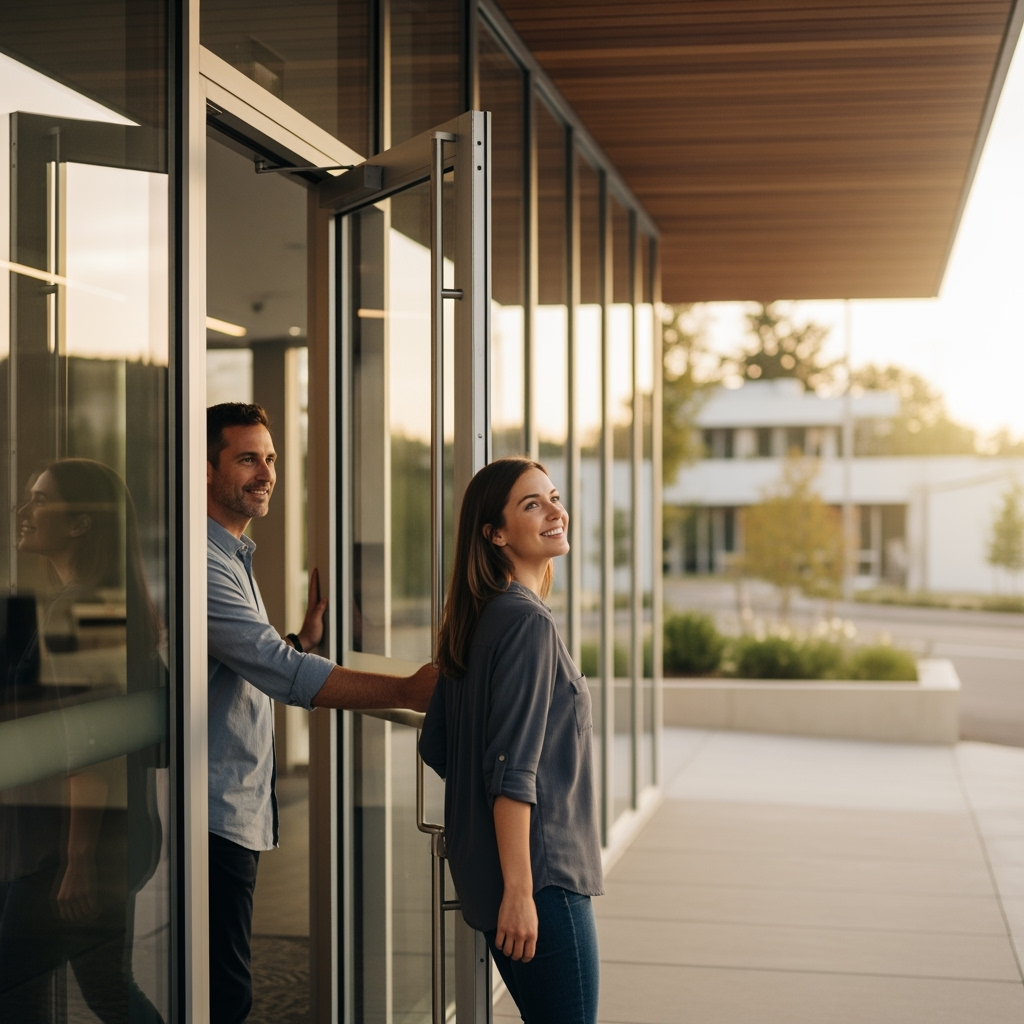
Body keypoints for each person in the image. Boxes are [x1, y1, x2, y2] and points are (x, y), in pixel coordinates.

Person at [205, 403, 436, 1024]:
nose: (266, 472)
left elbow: (244, 659)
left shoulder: (231, 553)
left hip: (232, 804)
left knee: (219, 982)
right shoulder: (201, 563)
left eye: (271, 458)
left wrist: (302, 641)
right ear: (203, 468)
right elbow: (272, 670)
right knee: (224, 993)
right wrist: (409, 690)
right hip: (210, 812)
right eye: (247, 458)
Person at [419, 457, 603, 1024]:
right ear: (495, 534)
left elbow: (442, 746)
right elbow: (512, 771)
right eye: (532, 504)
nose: (555, 510)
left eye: (553, 497)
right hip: (542, 884)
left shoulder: (479, 619)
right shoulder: (526, 623)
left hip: (504, 877)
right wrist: (520, 892)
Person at [0, 458, 165, 1023]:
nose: (24, 511)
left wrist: (77, 861)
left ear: (81, 524)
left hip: (68, 850)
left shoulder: (84, 607)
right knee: (106, 989)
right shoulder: (88, 601)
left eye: (40, 500)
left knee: (14, 992)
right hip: (84, 844)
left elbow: (97, 744)